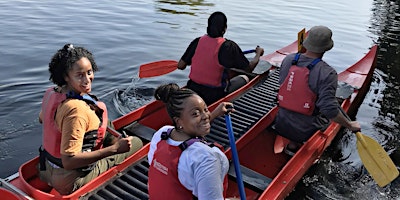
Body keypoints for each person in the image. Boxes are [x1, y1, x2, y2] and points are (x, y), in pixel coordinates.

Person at [37, 44, 143, 195]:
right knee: (137, 143)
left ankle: (108, 141)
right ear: (66, 76)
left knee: (99, 114)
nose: (87, 80)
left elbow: (42, 118)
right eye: (79, 75)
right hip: (71, 180)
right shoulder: (76, 110)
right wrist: (114, 149)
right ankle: (114, 149)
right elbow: (68, 161)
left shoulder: (51, 93)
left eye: (89, 72)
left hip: (45, 170)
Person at [274, 26, 361, 155]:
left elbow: (287, 87)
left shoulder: (289, 59)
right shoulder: (328, 73)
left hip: (280, 122)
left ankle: (292, 146)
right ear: (327, 47)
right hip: (307, 130)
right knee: (327, 110)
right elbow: (329, 110)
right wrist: (349, 125)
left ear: (307, 43)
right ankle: (300, 146)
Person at [147, 83, 234, 200]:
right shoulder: (207, 158)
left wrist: (214, 114)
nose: (206, 116)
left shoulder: (162, 134)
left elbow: (189, 129)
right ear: (178, 121)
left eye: (206, 109)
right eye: (196, 114)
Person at [177, 11, 264, 105]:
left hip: (192, 91)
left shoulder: (197, 41)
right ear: (225, 29)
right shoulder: (229, 46)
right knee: (245, 78)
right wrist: (258, 54)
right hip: (214, 96)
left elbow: (180, 66)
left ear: (208, 27)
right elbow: (249, 68)